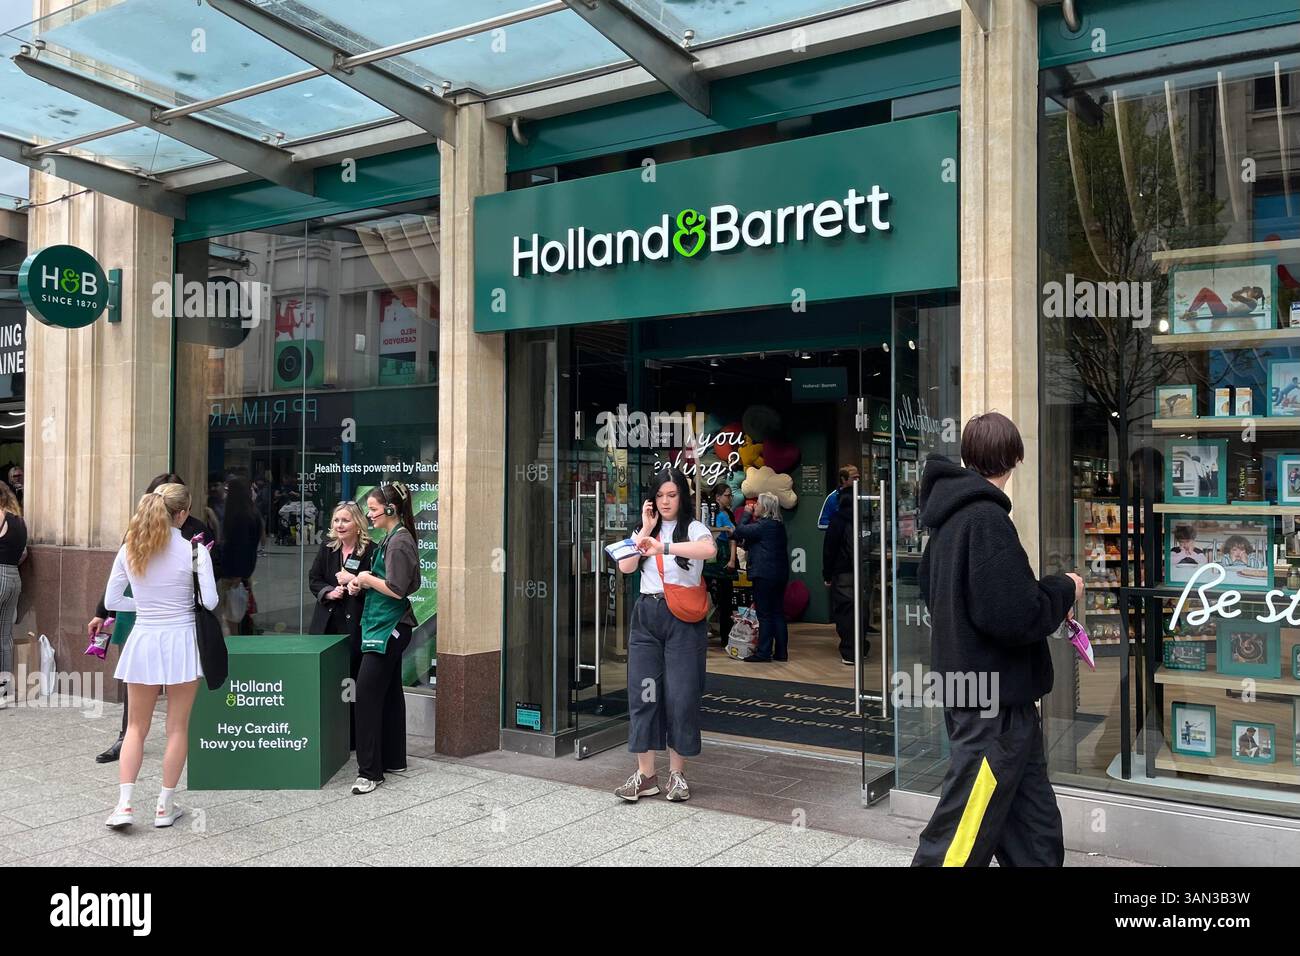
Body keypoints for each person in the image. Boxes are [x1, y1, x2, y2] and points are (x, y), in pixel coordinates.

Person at [911, 412, 1082, 867]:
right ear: (1013, 459)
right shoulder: (986, 519)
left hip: (979, 695)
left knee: (1034, 830)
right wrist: (1065, 586)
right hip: (993, 704)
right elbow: (1015, 616)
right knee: (961, 834)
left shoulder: (946, 520)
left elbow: (939, 595)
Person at [102, 483, 219, 829]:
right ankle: (164, 806)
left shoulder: (130, 550)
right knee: (176, 727)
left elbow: (112, 601)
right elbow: (210, 602)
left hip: (145, 638)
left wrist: (146, 606)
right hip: (182, 639)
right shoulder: (195, 552)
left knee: (136, 727)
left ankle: (124, 805)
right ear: (182, 514)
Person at [88, 473, 213, 763]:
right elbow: (116, 577)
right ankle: (126, 738)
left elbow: (209, 575)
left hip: (178, 616)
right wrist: (101, 612)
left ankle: (177, 743)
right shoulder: (138, 528)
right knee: (138, 685)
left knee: (180, 690)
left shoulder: (196, 532)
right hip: (139, 612)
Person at [613, 469, 716, 803]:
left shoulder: (695, 529)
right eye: (660, 495)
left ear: (682, 496)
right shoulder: (647, 530)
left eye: (672, 495)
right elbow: (625, 567)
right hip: (648, 614)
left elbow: (708, 551)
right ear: (652, 499)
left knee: (681, 695)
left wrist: (663, 547)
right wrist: (644, 530)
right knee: (642, 693)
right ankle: (645, 774)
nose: (666, 501)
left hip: (683, 619)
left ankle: (677, 774)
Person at [347, 482, 420, 794]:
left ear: (390, 510)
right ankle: (393, 759)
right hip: (387, 625)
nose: (369, 515)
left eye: (374, 510)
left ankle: (370, 772)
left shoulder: (398, 542)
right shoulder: (395, 538)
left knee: (366, 696)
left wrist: (365, 579)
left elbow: (397, 588)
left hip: (388, 628)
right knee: (389, 693)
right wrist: (361, 583)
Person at [309, 502, 373, 750]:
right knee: (329, 680)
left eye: (345, 520)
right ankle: (329, 733)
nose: (339, 525)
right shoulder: (327, 549)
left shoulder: (370, 550)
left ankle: (353, 737)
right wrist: (328, 591)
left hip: (355, 625)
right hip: (327, 625)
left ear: (357, 523)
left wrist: (357, 584)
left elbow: (377, 586)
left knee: (353, 682)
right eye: (336, 521)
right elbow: (314, 579)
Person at [733, 491, 790, 663]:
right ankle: (781, 652)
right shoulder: (778, 525)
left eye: (757, 504)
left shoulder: (763, 526)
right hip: (780, 574)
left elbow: (739, 531)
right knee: (778, 613)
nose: (754, 506)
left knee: (764, 614)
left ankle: (763, 652)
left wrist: (746, 514)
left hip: (764, 574)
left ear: (764, 507)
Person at [822, 484, 870, 665]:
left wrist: (827, 575)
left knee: (845, 612)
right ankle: (862, 647)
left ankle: (849, 651)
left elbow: (829, 550)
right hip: (862, 570)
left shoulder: (837, 520)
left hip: (842, 572)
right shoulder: (864, 520)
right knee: (862, 611)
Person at [217, 476, 263, 636]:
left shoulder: (238, 517)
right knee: (237, 614)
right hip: (242, 572)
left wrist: (236, 574)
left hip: (233, 573)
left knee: (231, 617)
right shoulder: (251, 514)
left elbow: (238, 547)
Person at [0, 482, 25, 705]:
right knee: (4, 637)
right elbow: (23, 553)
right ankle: (4, 693)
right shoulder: (18, 520)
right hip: (13, 577)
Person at [703, 481, 737, 646]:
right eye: (727, 495)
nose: (730, 498)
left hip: (718, 559)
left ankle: (726, 637)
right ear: (717, 497)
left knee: (724, 600)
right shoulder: (712, 513)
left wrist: (731, 559)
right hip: (713, 559)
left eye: (730, 495)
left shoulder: (725, 515)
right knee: (719, 599)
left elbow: (732, 537)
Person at [817, 464, 859, 530]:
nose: (857, 480)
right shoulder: (833, 497)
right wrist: (841, 526)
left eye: (858, 477)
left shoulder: (861, 495)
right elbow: (821, 524)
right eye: (854, 478)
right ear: (843, 479)